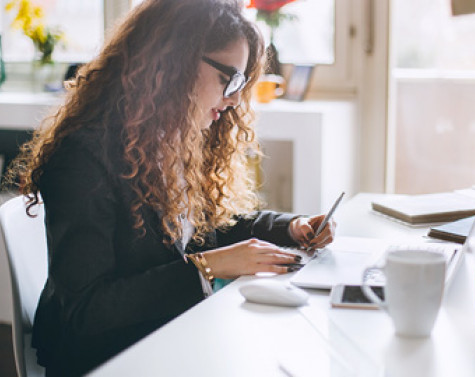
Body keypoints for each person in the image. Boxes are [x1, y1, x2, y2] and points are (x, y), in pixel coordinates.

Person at [8, 0, 336, 375]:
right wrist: (207, 267)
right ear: (173, 61)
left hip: (160, 333)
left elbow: (202, 230)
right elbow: (86, 310)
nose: (232, 100)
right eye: (228, 79)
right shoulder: (84, 156)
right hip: (106, 357)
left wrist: (289, 228)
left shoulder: (166, 138)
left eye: (240, 84)